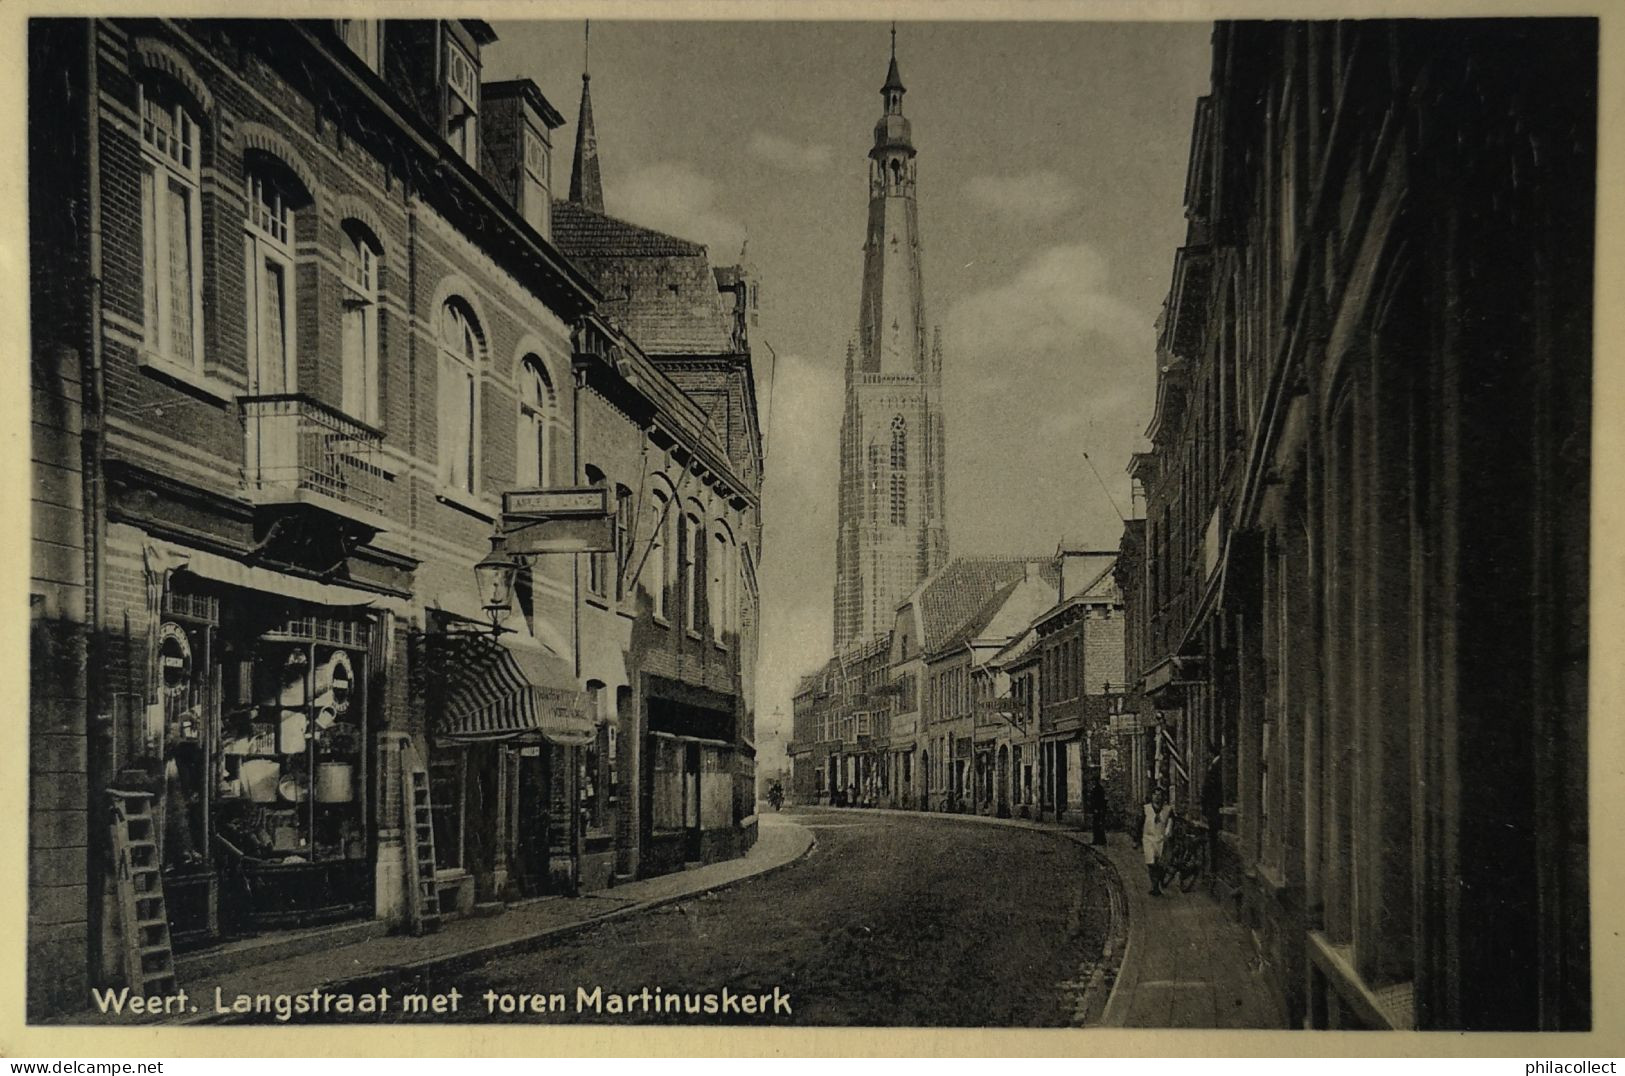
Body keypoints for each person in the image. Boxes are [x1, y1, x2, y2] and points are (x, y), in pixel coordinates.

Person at [1140, 787, 1173, 895]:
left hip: (1162, 838)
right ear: (1152, 796)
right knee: (1151, 863)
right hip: (1148, 838)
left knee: (1161, 864)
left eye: (1160, 795)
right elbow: (1139, 823)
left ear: (1163, 797)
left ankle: (1158, 883)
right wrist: (1136, 839)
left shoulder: (1168, 809)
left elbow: (1170, 823)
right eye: (1155, 794)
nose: (1157, 797)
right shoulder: (1146, 808)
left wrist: (1168, 833)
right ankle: (1155, 887)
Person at [1089, 780, 1109, 845]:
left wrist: (1096, 809)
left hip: (1098, 810)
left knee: (1097, 825)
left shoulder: (1097, 789)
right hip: (1098, 810)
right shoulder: (1098, 789)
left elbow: (1098, 800)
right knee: (1097, 825)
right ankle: (1098, 840)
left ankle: (1099, 840)